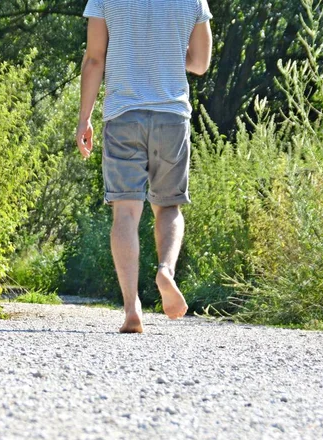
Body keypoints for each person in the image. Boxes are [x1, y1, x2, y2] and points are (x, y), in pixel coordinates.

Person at [77, 0, 212, 333]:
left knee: (125, 212)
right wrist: (167, 57)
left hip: (124, 115)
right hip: (171, 117)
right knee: (168, 207)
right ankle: (166, 270)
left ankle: (131, 308)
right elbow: (200, 63)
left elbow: (95, 60)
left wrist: (84, 118)